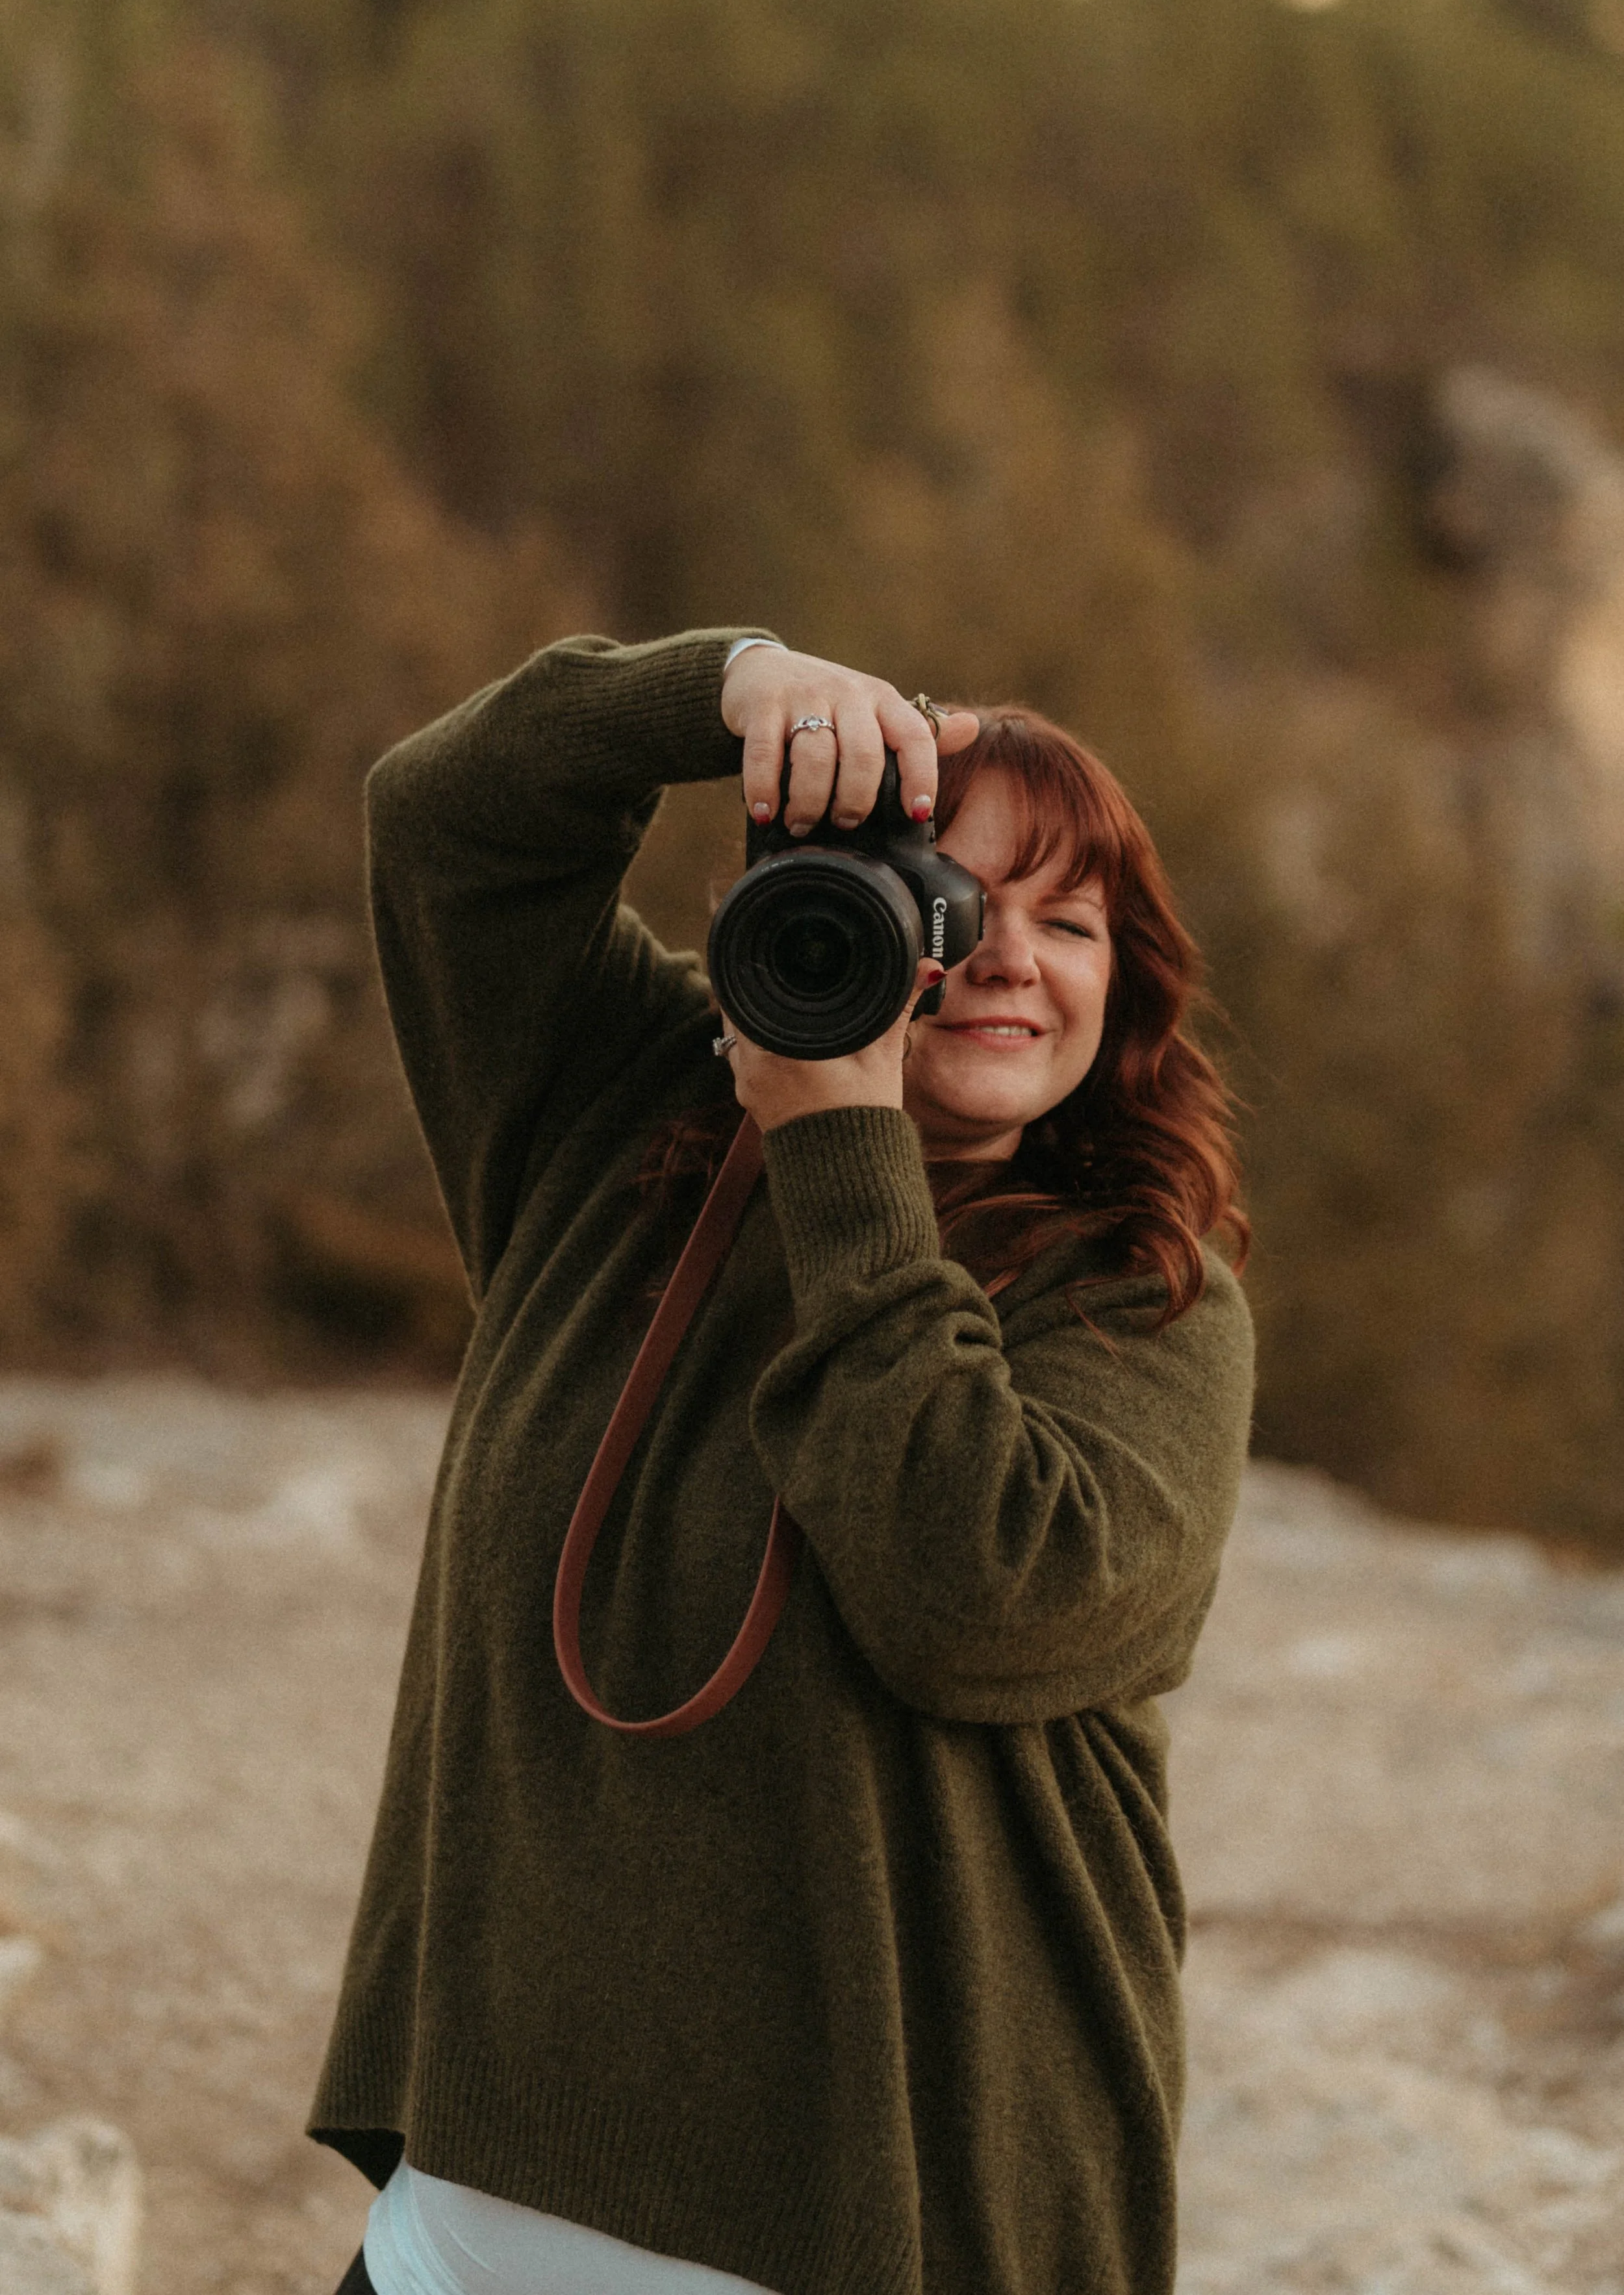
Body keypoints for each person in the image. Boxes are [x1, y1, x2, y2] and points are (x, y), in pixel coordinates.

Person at [309, 628, 1255, 2295]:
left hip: (898, 2219)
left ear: (1129, 990)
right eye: (945, 905)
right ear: (827, 904)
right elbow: (442, 823)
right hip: (464, 2230)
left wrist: (840, 1139)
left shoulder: (1141, 1299)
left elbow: (980, 1589)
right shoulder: (612, 1116)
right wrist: (723, 685)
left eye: (1071, 923)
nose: (1006, 960)